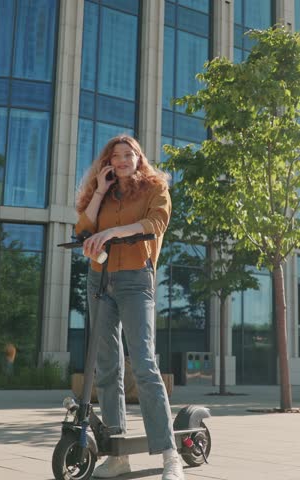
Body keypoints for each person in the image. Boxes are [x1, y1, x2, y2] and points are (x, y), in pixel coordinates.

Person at [75, 135, 183, 480]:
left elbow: (156, 225)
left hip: (136, 280)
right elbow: (83, 229)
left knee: (145, 364)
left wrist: (112, 233)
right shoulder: (102, 191)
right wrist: (100, 192)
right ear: (107, 162)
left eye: (128, 154)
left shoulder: (155, 189)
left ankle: (170, 455)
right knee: (107, 367)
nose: (122, 160)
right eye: (115, 156)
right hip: (99, 280)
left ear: (139, 158)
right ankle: (117, 455)